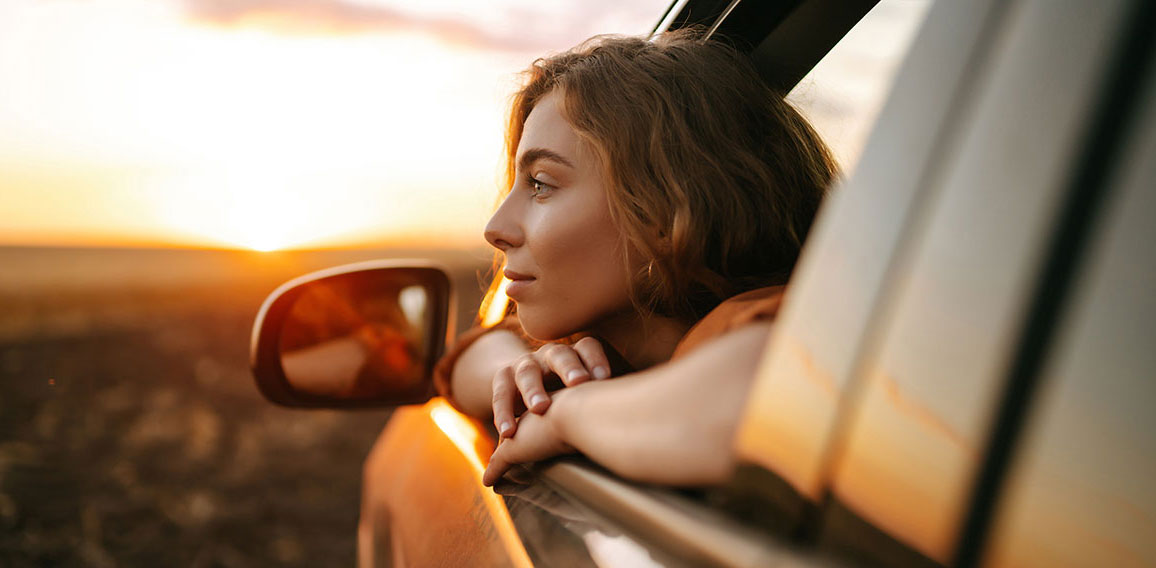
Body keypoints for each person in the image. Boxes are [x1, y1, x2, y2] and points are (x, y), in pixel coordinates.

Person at [434, 29, 837, 487]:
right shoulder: (608, 349)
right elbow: (469, 357)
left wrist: (565, 415)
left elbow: (764, 404)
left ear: (664, 212)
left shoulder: (749, 323)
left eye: (541, 184)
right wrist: (515, 377)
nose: (495, 229)